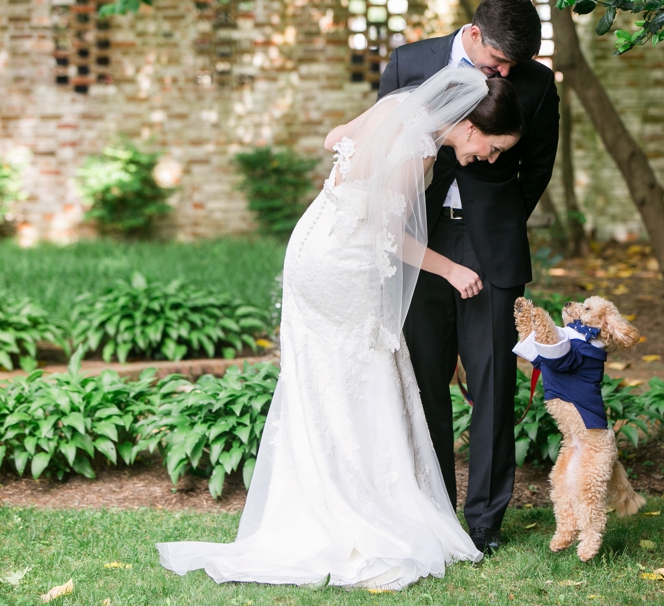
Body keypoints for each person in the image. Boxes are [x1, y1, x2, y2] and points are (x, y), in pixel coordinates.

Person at [155, 65, 524, 591]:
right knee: (363, 370)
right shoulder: (419, 147)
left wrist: (359, 165)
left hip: (315, 239)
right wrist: (451, 268)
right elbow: (385, 228)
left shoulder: (397, 110)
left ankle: (323, 497)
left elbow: (335, 138)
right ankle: (355, 509)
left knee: (326, 378)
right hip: (343, 263)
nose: (489, 159)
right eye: (492, 148)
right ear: (468, 127)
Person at [378, 0, 560, 555]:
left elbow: (537, 169)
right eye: (500, 60)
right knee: (427, 377)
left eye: (515, 65)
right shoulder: (410, 63)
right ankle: (434, 510)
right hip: (418, 241)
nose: (506, 72)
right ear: (474, 33)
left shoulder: (534, 81)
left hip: (493, 245)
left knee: (492, 382)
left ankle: (485, 520)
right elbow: (384, 145)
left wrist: (496, 223)